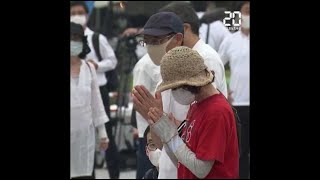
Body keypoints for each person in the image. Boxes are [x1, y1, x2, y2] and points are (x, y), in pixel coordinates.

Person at [132, 5, 228, 179]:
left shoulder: (203, 62)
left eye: (157, 40)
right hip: (171, 168)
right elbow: (163, 141)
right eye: (148, 41)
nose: (152, 47)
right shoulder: (167, 72)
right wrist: (155, 120)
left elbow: (201, 163)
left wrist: (170, 130)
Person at [147, 46, 239, 179]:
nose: (173, 93)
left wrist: (171, 136)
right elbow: (182, 161)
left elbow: (201, 169)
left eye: (174, 88)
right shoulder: (196, 106)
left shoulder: (216, 112)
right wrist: (166, 135)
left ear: (189, 84)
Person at [70, 1, 120, 179]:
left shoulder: (97, 38)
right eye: (73, 12)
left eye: (79, 12)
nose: (76, 15)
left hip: (97, 92)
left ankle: (114, 174)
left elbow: (112, 61)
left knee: (104, 140)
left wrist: (96, 65)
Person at [70, 22, 109, 179]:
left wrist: (103, 134)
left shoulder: (89, 68)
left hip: (85, 134)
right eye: (70, 37)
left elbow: (96, 102)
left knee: (83, 174)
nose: (74, 42)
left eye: (77, 38)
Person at [218, 1, 250, 178]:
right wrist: (224, 91)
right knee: (240, 152)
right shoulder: (230, 40)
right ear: (240, 14)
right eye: (247, 11)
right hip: (238, 103)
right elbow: (217, 66)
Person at [132, 53, 161, 178]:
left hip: (166, 132)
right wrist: (159, 120)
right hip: (150, 134)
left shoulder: (169, 60)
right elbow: (138, 102)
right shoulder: (145, 65)